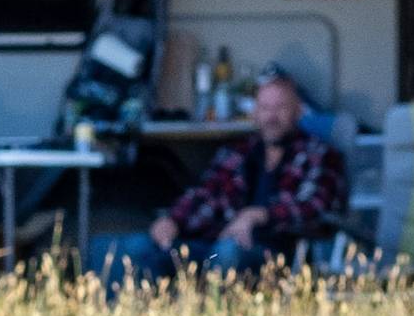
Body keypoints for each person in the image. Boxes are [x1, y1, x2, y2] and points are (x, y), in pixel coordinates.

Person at [88, 67, 347, 291]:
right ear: (255, 113)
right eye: (265, 108)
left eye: (281, 108)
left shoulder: (319, 154)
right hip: (211, 248)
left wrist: (258, 215)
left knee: (229, 251)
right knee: (130, 246)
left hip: (274, 253)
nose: (272, 117)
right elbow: (204, 194)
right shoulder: (238, 153)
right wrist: (172, 220)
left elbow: (316, 206)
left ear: (298, 112)